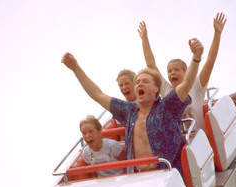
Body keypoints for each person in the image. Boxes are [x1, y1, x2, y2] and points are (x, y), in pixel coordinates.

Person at [61, 37, 203, 173]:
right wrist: (75, 68)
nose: (140, 84)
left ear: (156, 89)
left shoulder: (167, 106)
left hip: (168, 173)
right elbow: (97, 95)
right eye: (137, 82)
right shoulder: (128, 111)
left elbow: (186, 85)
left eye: (145, 81)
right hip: (137, 176)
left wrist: (196, 58)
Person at [138, 13, 227, 131]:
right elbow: (151, 64)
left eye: (176, 70)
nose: (172, 73)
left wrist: (217, 34)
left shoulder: (196, 86)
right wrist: (144, 38)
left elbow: (210, 62)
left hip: (197, 140)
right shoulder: (166, 89)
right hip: (175, 142)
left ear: (186, 73)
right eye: (169, 71)